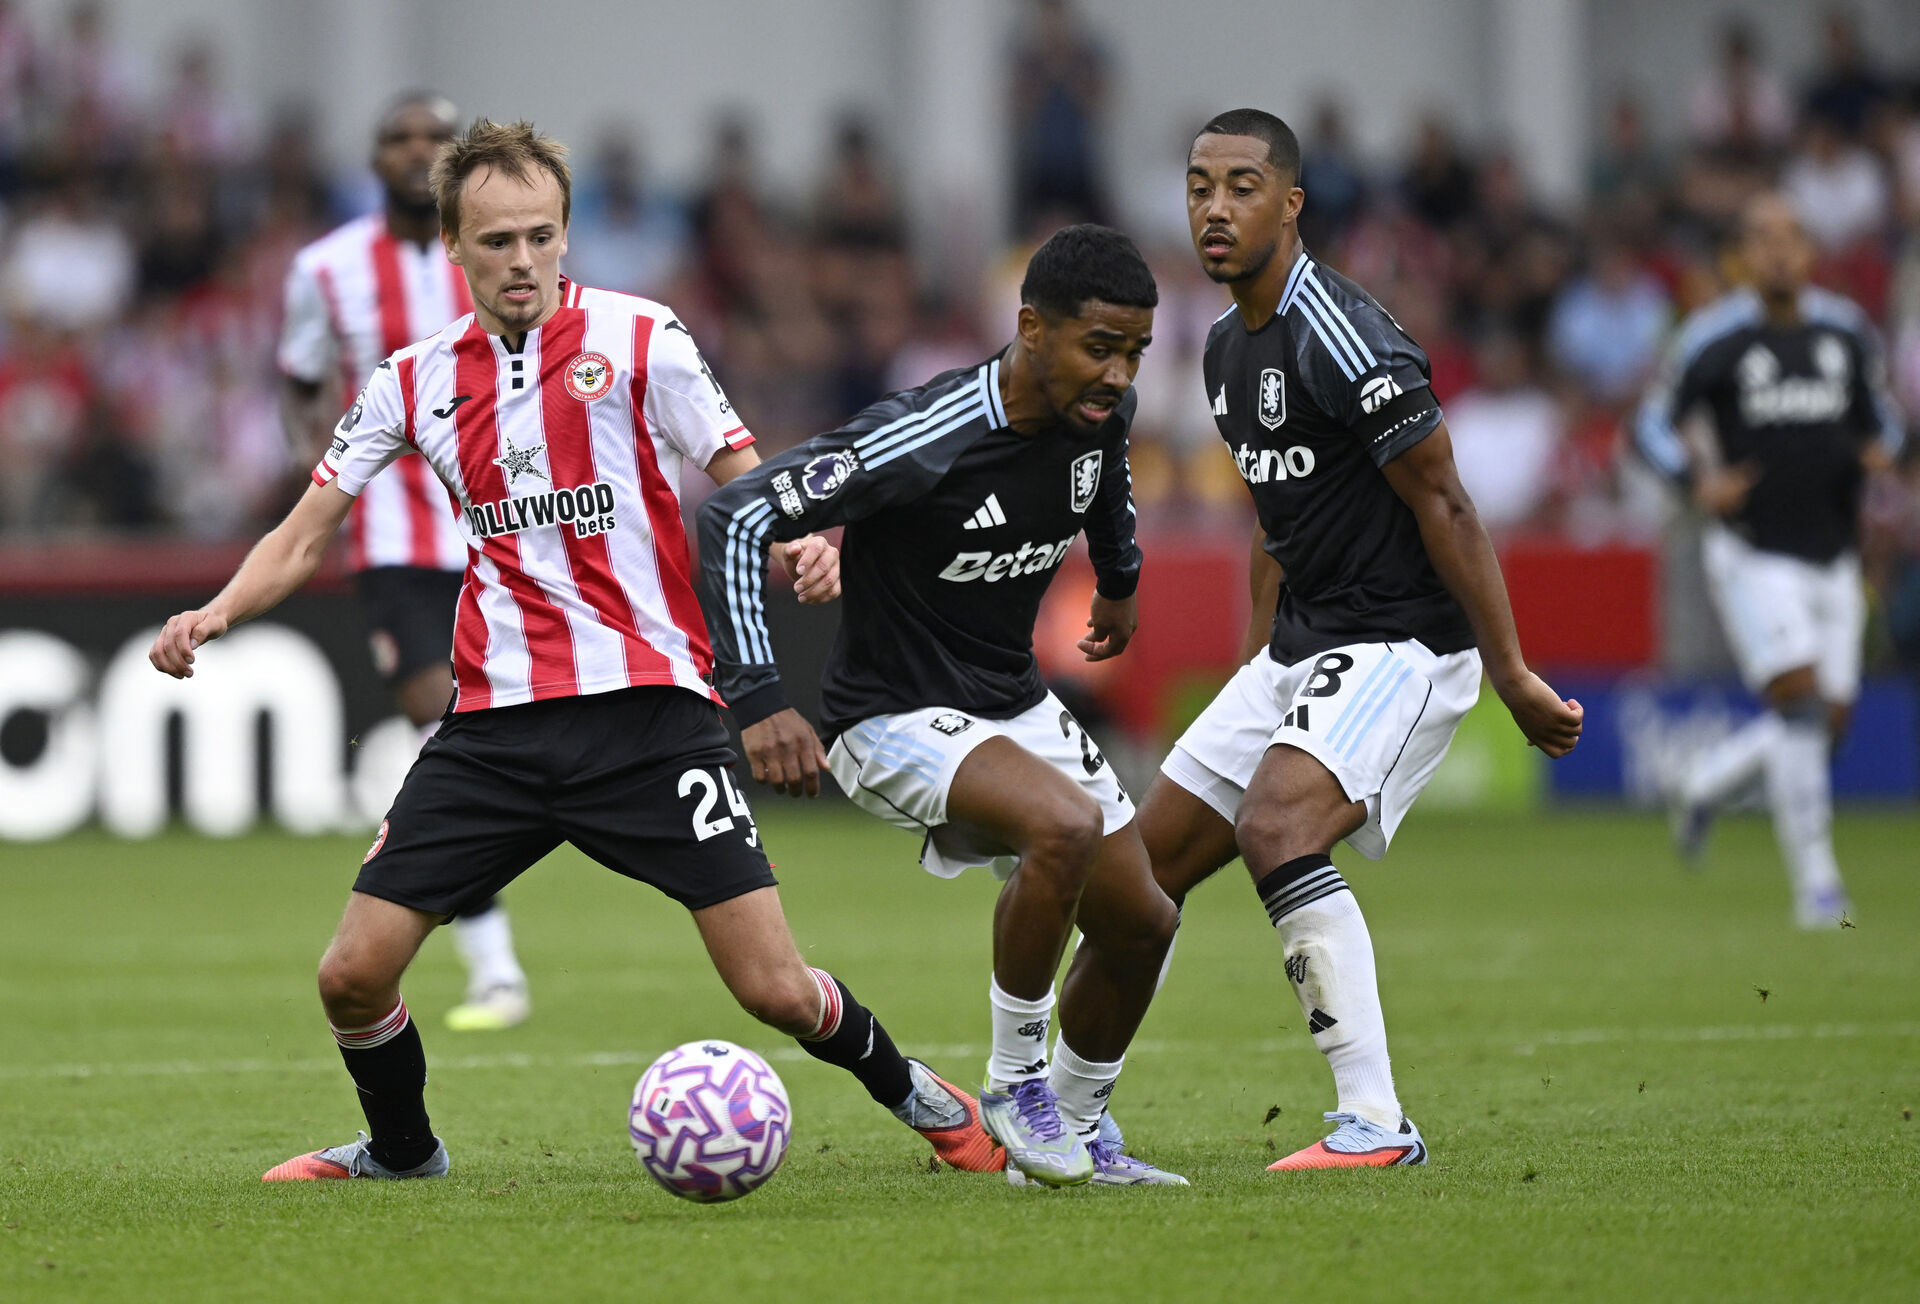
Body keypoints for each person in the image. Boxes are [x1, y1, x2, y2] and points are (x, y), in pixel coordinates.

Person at [153, 119, 996, 1183]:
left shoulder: (645, 339)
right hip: (494, 728)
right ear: (451, 248)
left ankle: (925, 1097)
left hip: (651, 714)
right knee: (351, 975)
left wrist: (804, 542)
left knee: (773, 986)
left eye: (540, 236)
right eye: (495, 240)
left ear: (566, 240)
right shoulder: (410, 380)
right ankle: (404, 1152)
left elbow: (745, 470)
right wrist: (220, 610)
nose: (520, 261)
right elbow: (306, 528)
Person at [1123, 108, 1582, 1171]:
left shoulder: (1345, 333)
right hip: (1304, 646)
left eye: (1241, 186)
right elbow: (1277, 519)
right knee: (1138, 871)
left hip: (1404, 643)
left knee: (1279, 826)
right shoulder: (1227, 348)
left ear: (1290, 203)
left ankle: (1376, 1121)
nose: (1215, 207)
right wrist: (1253, 662)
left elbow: (1449, 504)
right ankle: (1065, 1111)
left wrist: (1508, 671)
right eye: (1199, 186)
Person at [698, 224, 1185, 1188]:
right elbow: (736, 512)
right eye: (1100, 348)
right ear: (1031, 328)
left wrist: (1120, 583)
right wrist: (758, 699)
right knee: (1064, 825)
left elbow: (1107, 489)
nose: (1120, 375)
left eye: (1136, 352)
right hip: (889, 718)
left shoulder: (1100, 415)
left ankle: (1080, 1130)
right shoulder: (924, 434)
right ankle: (1015, 1087)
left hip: (1011, 699)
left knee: (1145, 922)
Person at [278, 94, 532, 1032]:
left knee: (500, 724)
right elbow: (302, 385)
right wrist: (329, 482)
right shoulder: (327, 269)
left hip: (509, 529)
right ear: (375, 155)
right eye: (399, 139)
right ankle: (494, 962)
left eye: (434, 139)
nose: (416, 151)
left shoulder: (503, 255)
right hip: (394, 540)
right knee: (441, 713)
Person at [1636, 191, 1903, 928]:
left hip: (1834, 552)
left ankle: (1708, 780)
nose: (1778, 250)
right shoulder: (1711, 339)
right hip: (1753, 552)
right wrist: (1700, 483)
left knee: (1825, 725)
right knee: (1804, 706)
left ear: (1810, 251)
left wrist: (1889, 450)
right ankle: (1819, 887)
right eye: (1762, 238)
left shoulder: (1845, 332)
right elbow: (1651, 427)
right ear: (1743, 256)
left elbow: (1882, 413)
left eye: (1790, 236)